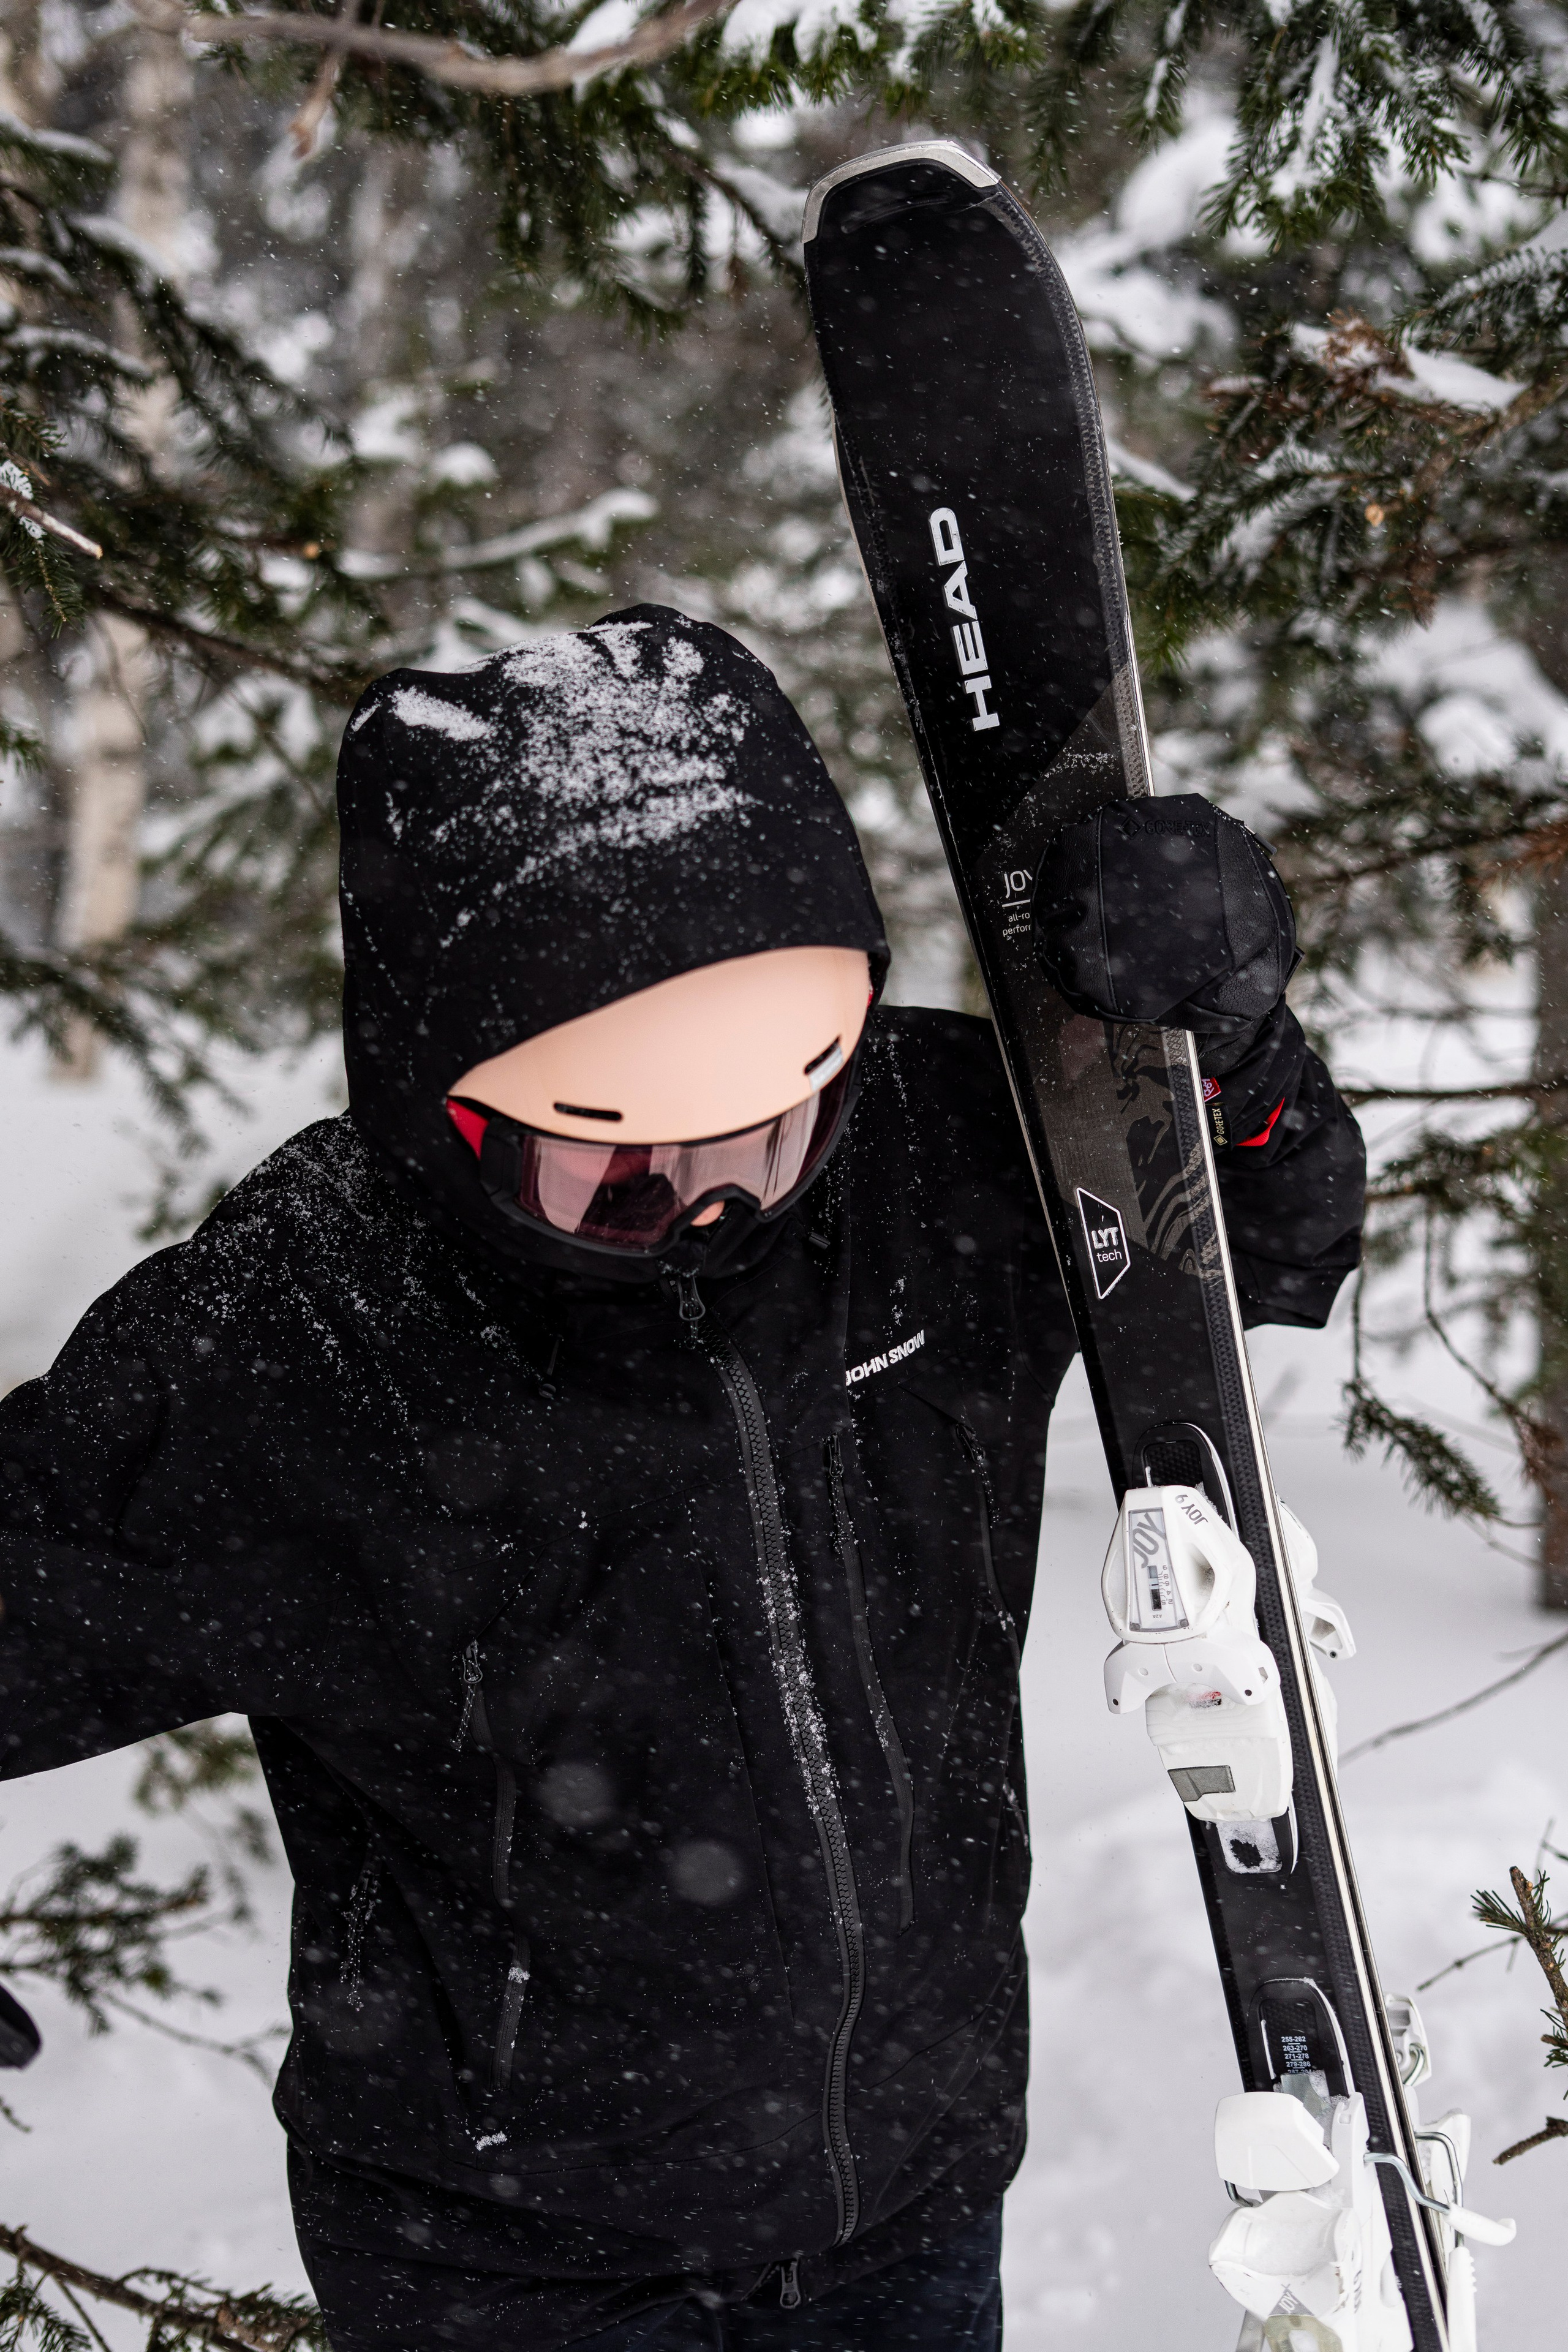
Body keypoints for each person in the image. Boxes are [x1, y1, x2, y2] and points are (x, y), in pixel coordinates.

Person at [0, 607, 1363, 2350]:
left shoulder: (931, 1152)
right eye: (621, 1175)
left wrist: (1231, 1058)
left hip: (914, 2192)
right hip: (516, 2265)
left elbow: (1258, 1257)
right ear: (447, 1105)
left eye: (770, 1132)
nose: (716, 1209)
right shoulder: (306, 1331)